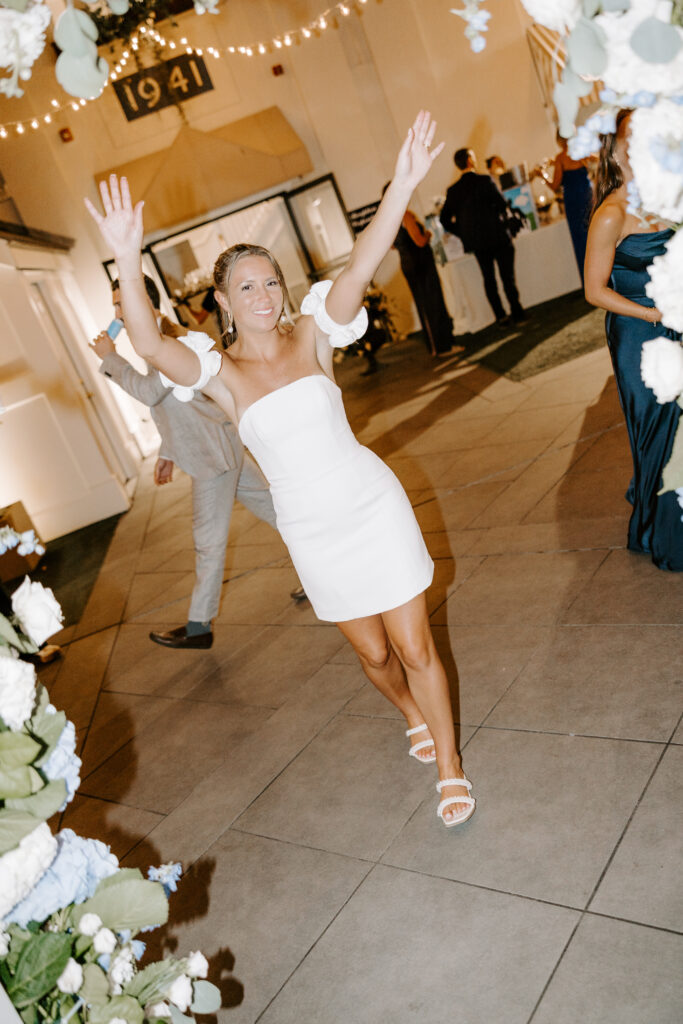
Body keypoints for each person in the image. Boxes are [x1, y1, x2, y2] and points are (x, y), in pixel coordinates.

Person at [86, 111, 475, 828]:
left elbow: (362, 260)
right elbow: (144, 340)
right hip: (311, 530)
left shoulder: (315, 329)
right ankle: (408, 715)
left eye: (269, 282)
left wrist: (405, 183)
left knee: (414, 643)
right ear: (224, 305)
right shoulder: (217, 371)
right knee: (375, 659)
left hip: (369, 504)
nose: (264, 296)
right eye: (247, 289)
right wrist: (127, 260)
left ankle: (449, 764)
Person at [90, 275, 291, 649]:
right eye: (115, 304)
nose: (116, 311)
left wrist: (110, 359)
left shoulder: (170, 340)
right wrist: (167, 452)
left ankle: (199, 626)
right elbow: (178, 404)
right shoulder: (155, 336)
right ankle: (324, 569)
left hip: (213, 457)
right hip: (217, 446)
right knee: (277, 512)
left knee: (209, 542)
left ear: (145, 303)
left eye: (121, 303)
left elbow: (150, 392)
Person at [584, 110, 683, 571]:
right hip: (636, 333)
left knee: (677, 427)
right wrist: (652, 312)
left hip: (673, 322)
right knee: (654, 430)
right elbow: (594, 290)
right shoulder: (611, 214)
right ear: (617, 149)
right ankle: (654, 528)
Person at [440, 147, 526, 326]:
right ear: (470, 161)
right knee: (506, 277)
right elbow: (502, 205)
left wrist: (463, 232)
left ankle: (500, 316)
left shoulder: (453, 190)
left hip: (477, 242)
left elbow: (444, 219)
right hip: (498, 236)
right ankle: (517, 312)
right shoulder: (485, 180)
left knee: (489, 279)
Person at [382, 184, 461, 358]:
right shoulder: (405, 216)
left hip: (407, 264)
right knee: (434, 302)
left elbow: (392, 246)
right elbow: (419, 241)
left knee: (423, 305)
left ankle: (434, 347)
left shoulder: (388, 218)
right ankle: (444, 347)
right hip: (421, 263)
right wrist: (427, 234)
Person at [534, 134, 592, 282]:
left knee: (580, 241)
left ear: (559, 141)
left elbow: (555, 186)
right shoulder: (581, 151)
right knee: (593, 235)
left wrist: (542, 175)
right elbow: (595, 159)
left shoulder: (561, 158)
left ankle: (590, 282)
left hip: (573, 202)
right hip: (587, 197)